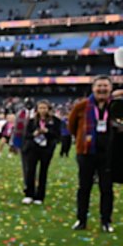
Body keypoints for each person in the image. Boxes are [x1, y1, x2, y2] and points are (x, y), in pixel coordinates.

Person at [68, 76, 115, 232]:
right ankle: (81, 220)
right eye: (99, 86)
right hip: (87, 153)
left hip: (109, 154)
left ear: (111, 88)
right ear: (93, 88)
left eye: (105, 86)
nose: (102, 89)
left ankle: (106, 221)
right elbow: (71, 125)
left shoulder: (116, 105)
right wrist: (83, 140)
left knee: (106, 189)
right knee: (84, 188)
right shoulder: (82, 106)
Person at [21, 99, 59, 205]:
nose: (42, 110)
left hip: (46, 149)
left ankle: (40, 196)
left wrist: (48, 132)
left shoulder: (55, 121)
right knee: (30, 171)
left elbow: (58, 135)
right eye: (40, 108)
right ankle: (29, 194)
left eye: (44, 108)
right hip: (33, 149)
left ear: (48, 109)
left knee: (43, 172)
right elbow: (26, 135)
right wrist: (34, 133)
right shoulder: (32, 121)